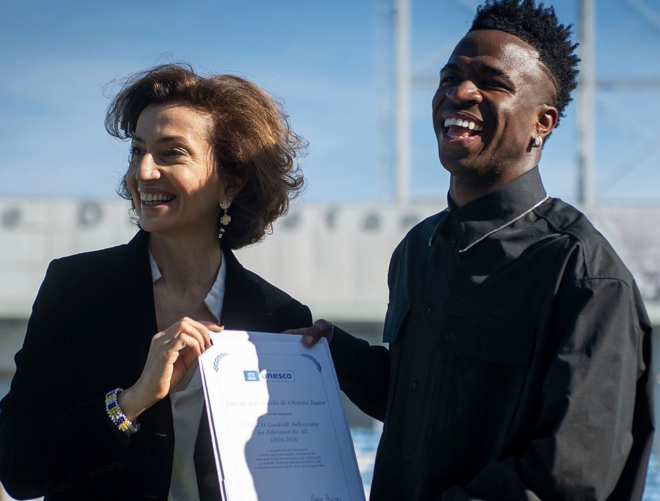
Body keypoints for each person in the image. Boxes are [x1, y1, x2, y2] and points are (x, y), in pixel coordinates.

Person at [296, 1, 655, 499]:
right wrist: (331, 351)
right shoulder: (416, 250)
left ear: (542, 122)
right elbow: (422, 398)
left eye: (493, 82)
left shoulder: (582, 274)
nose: (459, 93)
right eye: (450, 77)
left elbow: (570, 476)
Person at [0, 64, 312, 501]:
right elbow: (17, 468)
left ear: (233, 180)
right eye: (137, 150)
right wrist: (131, 402)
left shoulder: (280, 319)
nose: (142, 173)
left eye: (172, 153)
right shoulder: (75, 289)